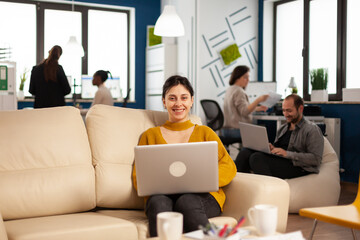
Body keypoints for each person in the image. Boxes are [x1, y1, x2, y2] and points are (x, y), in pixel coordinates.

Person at [132, 75, 237, 237]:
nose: (178, 103)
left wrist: (204, 180)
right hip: (162, 198)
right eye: (172, 98)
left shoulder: (205, 132)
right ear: (164, 101)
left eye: (184, 98)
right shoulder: (149, 135)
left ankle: (211, 236)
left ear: (191, 100)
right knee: (158, 203)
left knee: (186, 200)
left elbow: (228, 166)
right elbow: (139, 175)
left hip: (202, 198)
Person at [235, 94, 324, 179]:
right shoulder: (283, 128)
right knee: (245, 152)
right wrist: (271, 148)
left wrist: (287, 154)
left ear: (300, 109)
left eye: (289, 111)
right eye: (284, 110)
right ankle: (237, 187)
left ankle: (271, 191)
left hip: (299, 166)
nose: (285, 114)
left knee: (257, 158)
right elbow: (279, 149)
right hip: (282, 161)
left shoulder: (312, 129)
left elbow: (316, 159)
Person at [222, 65, 269, 138]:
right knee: (264, 131)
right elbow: (245, 111)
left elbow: (237, 109)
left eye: (248, 77)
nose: (248, 80)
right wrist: (259, 99)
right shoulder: (239, 91)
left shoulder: (230, 89)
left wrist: (256, 108)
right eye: (245, 77)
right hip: (237, 131)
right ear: (237, 78)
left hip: (226, 131)